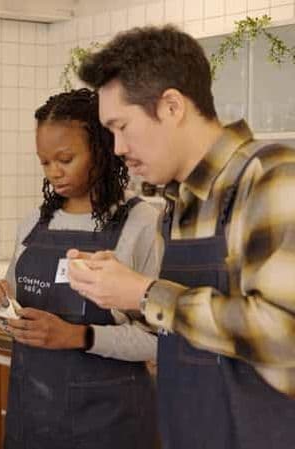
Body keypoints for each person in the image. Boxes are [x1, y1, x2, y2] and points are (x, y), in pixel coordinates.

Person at [67, 25, 295, 449]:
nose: (117, 148)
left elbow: (285, 336)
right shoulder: (177, 204)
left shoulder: (270, 177)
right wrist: (118, 289)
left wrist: (146, 294)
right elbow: (180, 331)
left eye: (122, 126)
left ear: (172, 106)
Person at [0, 88, 161, 449]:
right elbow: (14, 315)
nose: (54, 172)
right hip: (32, 419)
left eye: (65, 159)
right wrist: (3, 308)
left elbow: (159, 340)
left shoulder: (141, 222)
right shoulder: (35, 222)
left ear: (101, 147)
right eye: (45, 162)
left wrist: (76, 336)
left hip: (110, 424)